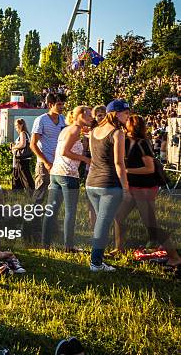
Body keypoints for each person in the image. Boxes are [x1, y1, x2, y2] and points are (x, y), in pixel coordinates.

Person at [113, 115, 180, 267]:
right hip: (132, 187)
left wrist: (126, 170)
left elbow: (149, 169)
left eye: (127, 122)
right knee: (118, 216)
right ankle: (119, 249)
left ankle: (175, 257)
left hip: (145, 189)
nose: (124, 123)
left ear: (133, 126)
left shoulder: (143, 143)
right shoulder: (125, 141)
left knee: (151, 225)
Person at [86, 99, 130, 272]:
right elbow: (119, 164)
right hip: (109, 184)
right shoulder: (117, 133)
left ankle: (98, 259)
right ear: (116, 113)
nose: (128, 116)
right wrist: (126, 188)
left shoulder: (94, 130)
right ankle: (96, 263)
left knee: (101, 223)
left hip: (91, 183)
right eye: (126, 112)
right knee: (103, 225)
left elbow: (94, 158)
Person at [42, 106, 92, 252]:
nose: (91, 117)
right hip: (68, 174)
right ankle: (68, 246)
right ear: (80, 115)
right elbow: (65, 152)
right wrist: (85, 159)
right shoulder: (75, 130)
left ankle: (45, 244)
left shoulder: (66, 129)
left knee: (51, 210)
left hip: (56, 173)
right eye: (88, 115)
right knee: (70, 212)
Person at [29, 93, 66, 241]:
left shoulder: (63, 120)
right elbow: (33, 144)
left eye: (63, 104)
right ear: (50, 105)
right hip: (44, 164)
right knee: (39, 196)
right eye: (59, 104)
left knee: (56, 197)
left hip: (59, 165)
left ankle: (51, 226)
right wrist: (45, 161)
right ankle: (32, 227)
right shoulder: (41, 120)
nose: (62, 107)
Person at [11, 119, 35, 193]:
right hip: (25, 157)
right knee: (20, 174)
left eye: (16, 125)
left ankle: (30, 190)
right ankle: (18, 190)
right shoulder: (26, 133)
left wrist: (14, 147)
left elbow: (23, 144)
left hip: (22, 157)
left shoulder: (22, 133)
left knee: (25, 175)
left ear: (21, 125)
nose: (15, 127)